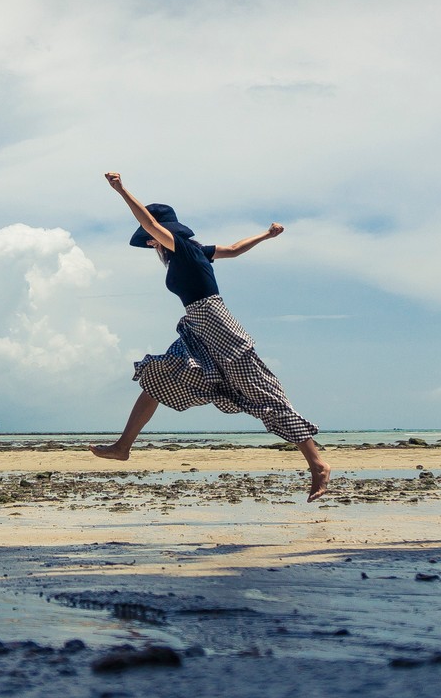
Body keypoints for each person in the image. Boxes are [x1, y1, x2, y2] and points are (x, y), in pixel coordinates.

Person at [91, 172, 331, 501]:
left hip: (216, 324)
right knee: (159, 374)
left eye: (150, 237)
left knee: (262, 393)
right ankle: (123, 446)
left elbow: (149, 223)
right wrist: (266, 235)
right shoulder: (195, 251)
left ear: (162, 232)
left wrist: (121, 190)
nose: (149, 242)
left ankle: (317, 464)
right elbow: (233, 249)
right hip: (196, 327)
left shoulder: (185, 250)